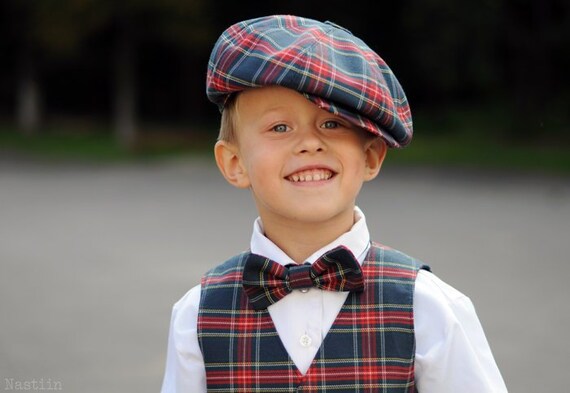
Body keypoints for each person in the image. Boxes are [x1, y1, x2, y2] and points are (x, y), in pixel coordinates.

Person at [160, 15, 507, 392]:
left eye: (332, 124)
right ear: (234, 163)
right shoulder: (197, 315)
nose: (310, 142)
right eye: (280, 127)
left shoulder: (429, 308)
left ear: (371, 156)